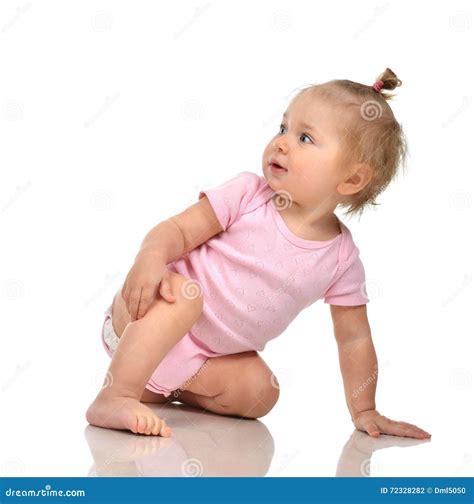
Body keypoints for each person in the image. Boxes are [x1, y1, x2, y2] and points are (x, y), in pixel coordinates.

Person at [86, 68, 432, 440]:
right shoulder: (249, 195)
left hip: (201, 362)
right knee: (185, 297)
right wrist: (150, 261)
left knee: (262, 391)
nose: (281, 143)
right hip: (144, 317)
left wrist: (365, 409)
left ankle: (155, 389)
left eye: (304, 138)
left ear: (351, 180)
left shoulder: (341, 260)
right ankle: (114, 395)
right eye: (283, 128)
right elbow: (178, 231)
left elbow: (354, 340)